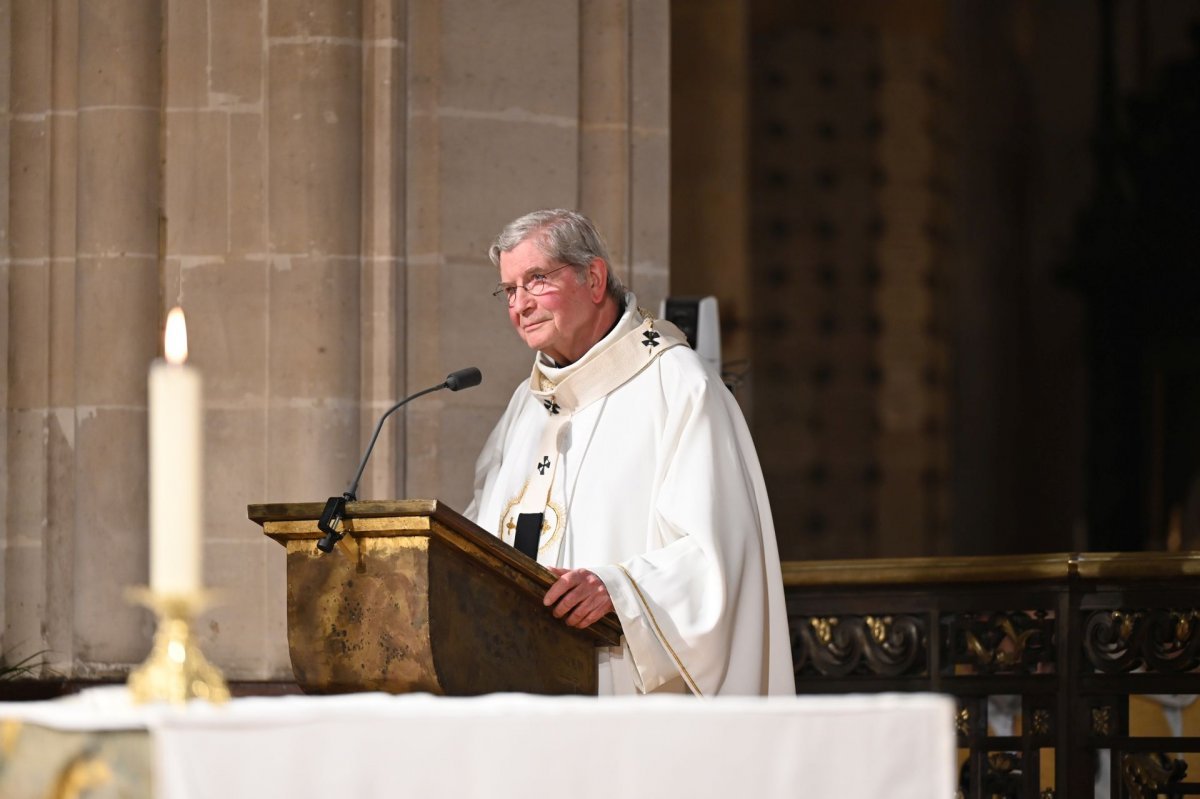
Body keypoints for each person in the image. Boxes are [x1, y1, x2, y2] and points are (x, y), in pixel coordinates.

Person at [465, 209, 795, 696]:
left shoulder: (677, 386)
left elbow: (723, 559)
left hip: (622, 691)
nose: (520, 305)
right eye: (510, 290)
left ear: (594, 278)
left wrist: (617, 589)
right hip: (520, 685)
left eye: (536, 281)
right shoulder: (527, 405)